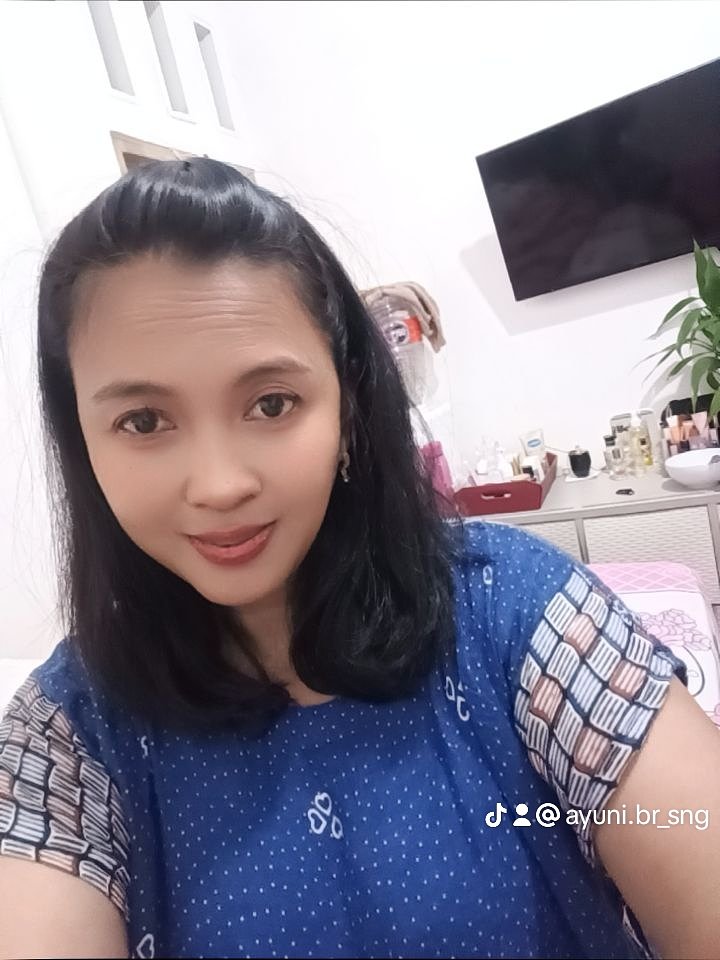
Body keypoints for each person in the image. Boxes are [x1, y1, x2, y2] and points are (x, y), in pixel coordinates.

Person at [0, 159, 718, 960]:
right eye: (143, 421)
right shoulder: (66, 733)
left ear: (345, 406)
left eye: (272, 403)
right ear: (83, 442)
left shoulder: (518, 611)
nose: (220, 484)